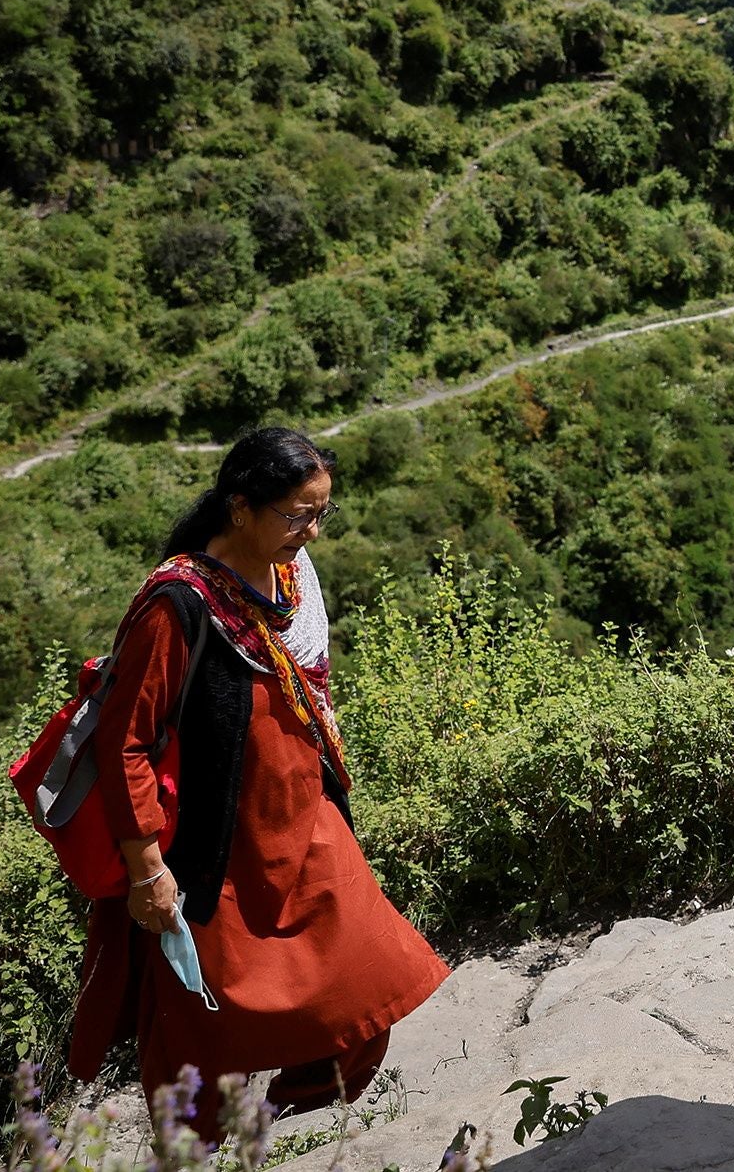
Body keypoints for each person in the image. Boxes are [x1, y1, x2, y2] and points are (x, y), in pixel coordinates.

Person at [64, 427, 448, 1137]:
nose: (311, 531)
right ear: (240, 507)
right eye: (296, 514)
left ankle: (284, 1113)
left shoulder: (291, 578)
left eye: (320, 512)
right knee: (204, 1014)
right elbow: (127, 744)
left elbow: (311, 687)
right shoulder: (178, 604)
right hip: (217, 844)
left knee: (366, 971)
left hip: (304, 814)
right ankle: (196, 1143)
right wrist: (147, 867)